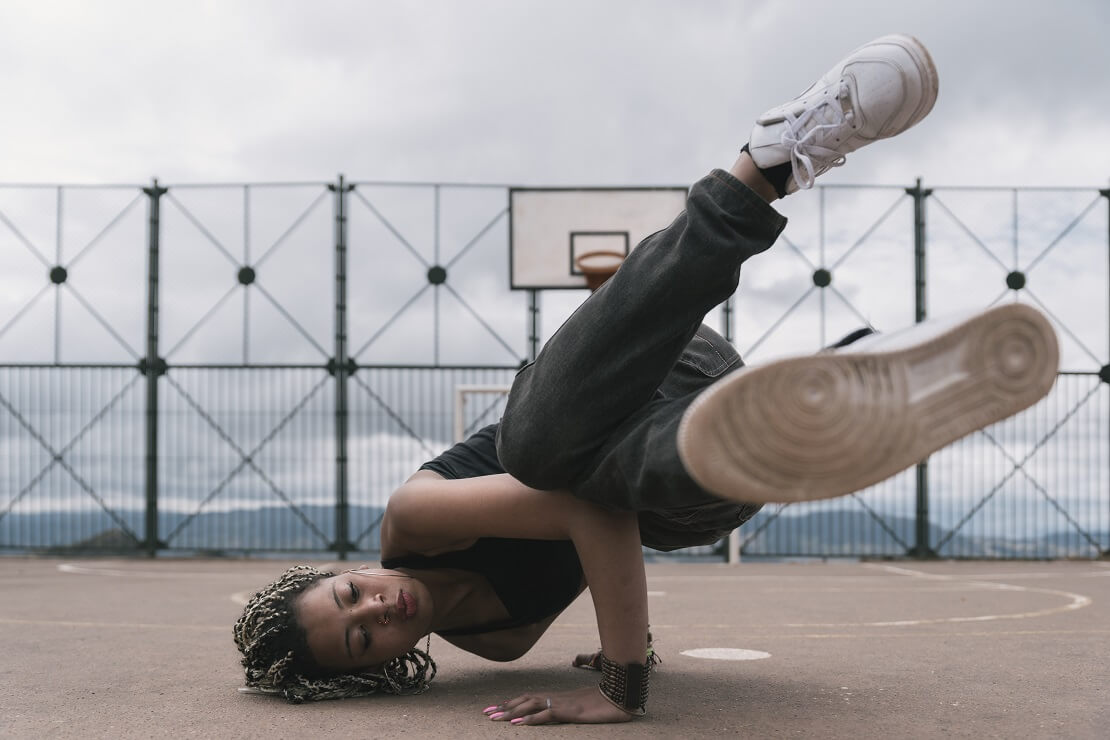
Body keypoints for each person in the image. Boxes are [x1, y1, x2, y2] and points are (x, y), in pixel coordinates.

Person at [233, 33, 1058, 724]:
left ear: (348, 569)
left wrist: (624, 676)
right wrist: (630, 637)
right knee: (653, 488)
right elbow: (613, 522)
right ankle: (829, 387)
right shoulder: (499, 642)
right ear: (379, 668)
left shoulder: (417, 517)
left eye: (350, 597)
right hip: (699, 469)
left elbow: (578, 509)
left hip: (658, 372)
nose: (378, 612)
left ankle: (768, 162)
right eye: (363, 640)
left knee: (540, 446)